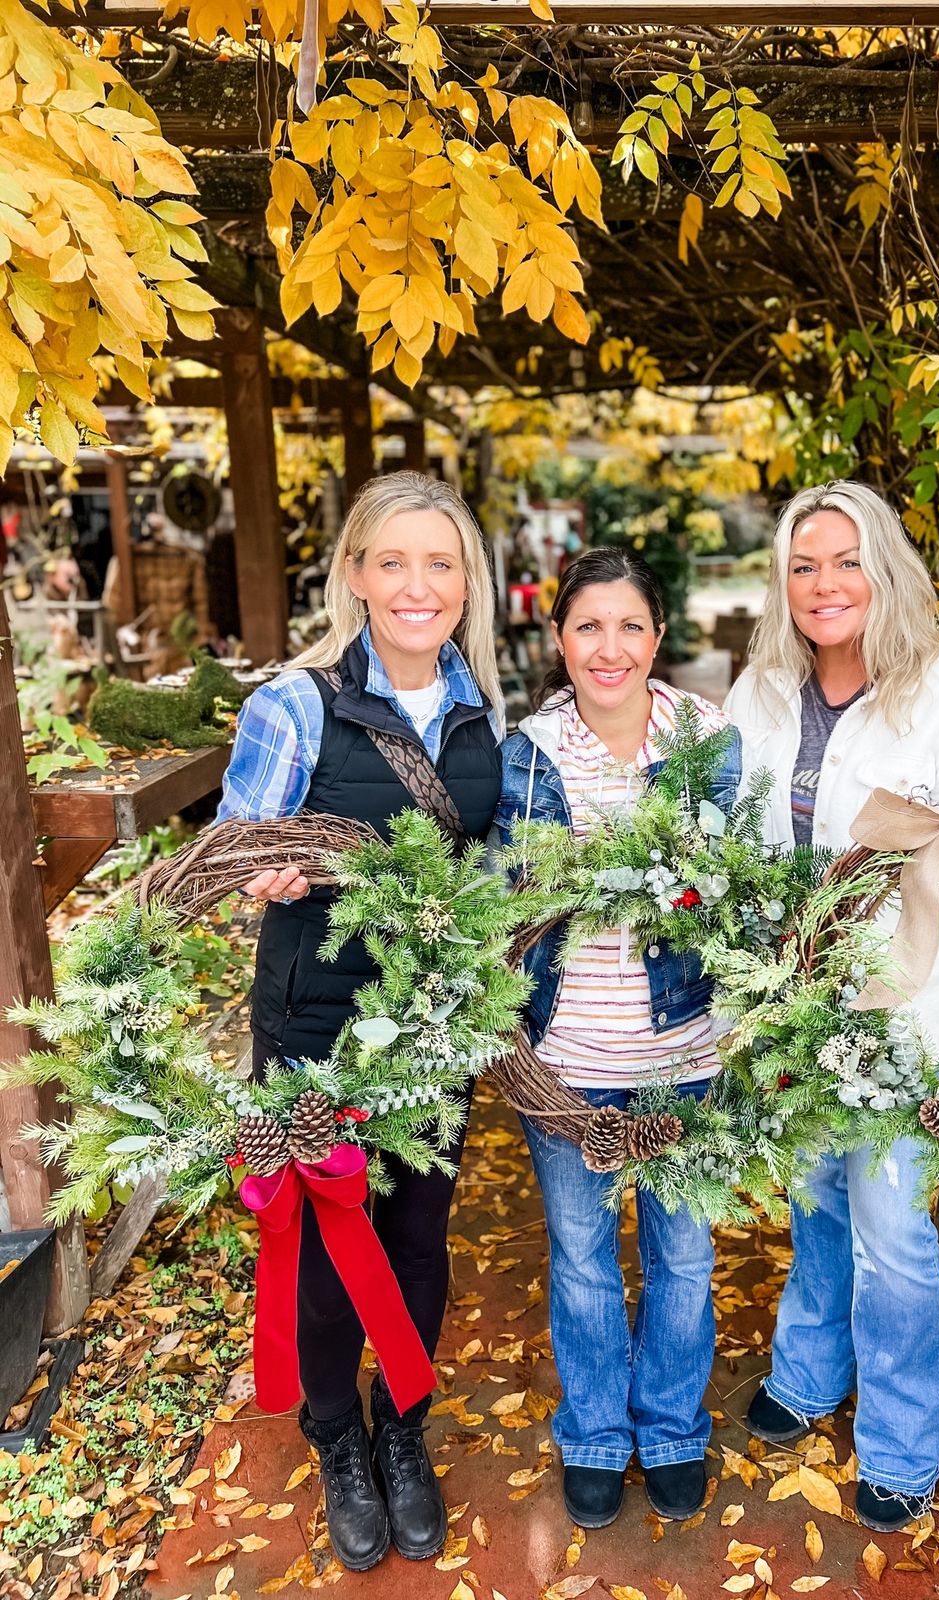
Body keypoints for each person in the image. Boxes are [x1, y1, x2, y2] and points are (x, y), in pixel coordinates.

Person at [215, 472, 505, 1572]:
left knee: (419, 1240)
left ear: (466, 580)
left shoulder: (481, 704)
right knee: (329, 1248)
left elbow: (488, 862)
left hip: (435, 1028)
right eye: (393, 561)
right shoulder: (297, 703)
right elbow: (241, 846)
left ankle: (403, 1429)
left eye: (440, 563)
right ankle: (337, 1437)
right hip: (317, 1030)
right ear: (354, 576)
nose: (418, 584)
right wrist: (270, 872)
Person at [724, 481, 939, 1535]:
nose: (824, 584)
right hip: (792, 1002)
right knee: (814, 1198)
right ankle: (809, 1371)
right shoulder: (759, 693)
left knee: (892, 1222)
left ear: (884, 569)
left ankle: (900, 1435)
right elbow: (730, 838)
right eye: (803, 566)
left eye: (845, 560)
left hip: (899, 1007)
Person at [491, 549, 741, 1532]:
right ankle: (596, 1434)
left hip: (687, 1059)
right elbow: (506, 900)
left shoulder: (705, 738)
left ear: (656, 637)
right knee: (585, 1253)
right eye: (587, 626)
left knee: (683, 1256)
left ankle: (673, 1427)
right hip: (569, 1064)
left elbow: (741, 882)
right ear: (559, 639)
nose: (609, 647)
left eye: (629, 626)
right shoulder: (533, 749)